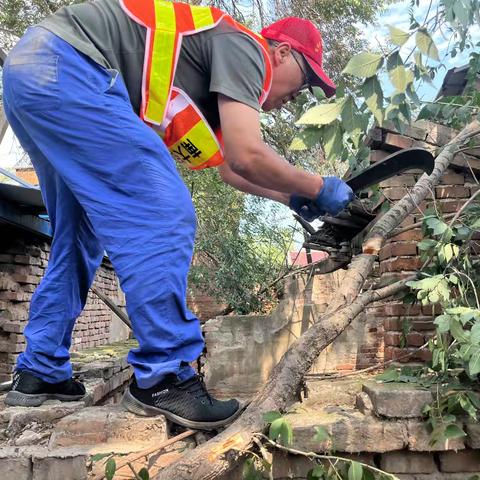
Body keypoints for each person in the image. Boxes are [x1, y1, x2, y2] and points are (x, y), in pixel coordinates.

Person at [3, 0, 353, 430]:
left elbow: (229, 166)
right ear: (281, 53)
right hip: (72, 69)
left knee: (79, 235)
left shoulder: (210, 78)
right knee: (164, 216)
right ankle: (164, 376)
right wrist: (317, 185)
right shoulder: (247, 49)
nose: (295, 98)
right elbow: (247, 154)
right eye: (302, 82)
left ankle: (41, 370)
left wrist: (290, 197)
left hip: (34, 72)